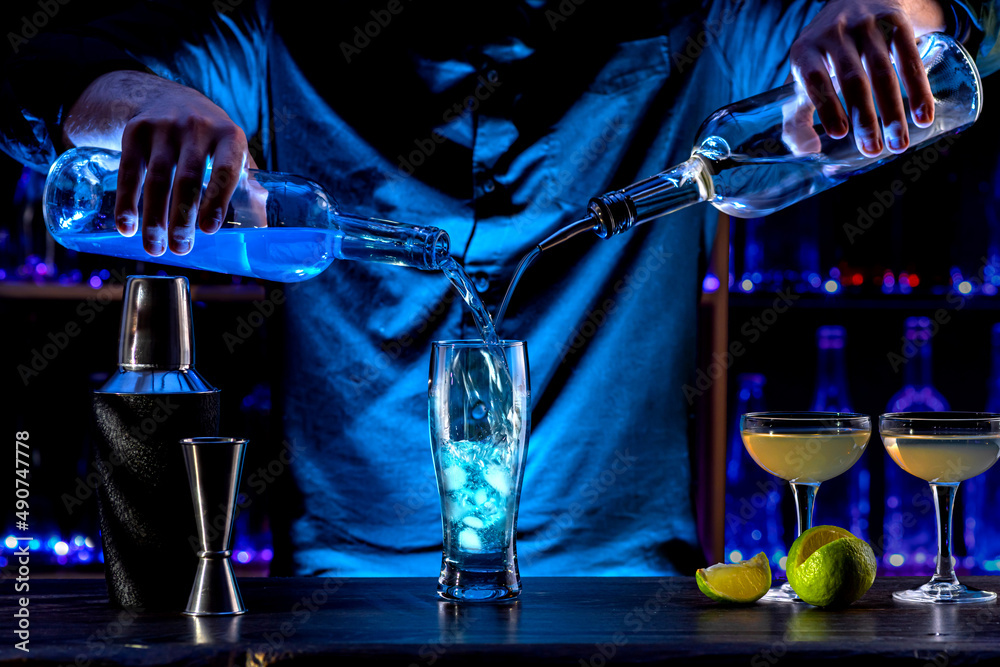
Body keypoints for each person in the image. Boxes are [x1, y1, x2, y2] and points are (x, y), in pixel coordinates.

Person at [3, 0, 998, 577]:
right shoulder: (287, 33)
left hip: (626, 600)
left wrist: (889, 17)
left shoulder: (688, 23)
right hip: (342, 603)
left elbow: (934, 35)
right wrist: (142, 107)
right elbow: (43, 73)